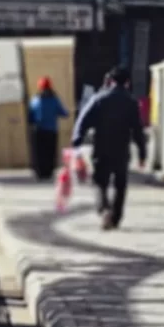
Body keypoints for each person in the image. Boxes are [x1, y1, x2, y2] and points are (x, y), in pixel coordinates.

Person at [72, 66, 146, 230]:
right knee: (120, 184)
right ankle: (116, 217)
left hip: (101, 148)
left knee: (100, 182)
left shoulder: (99, 99)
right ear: (127, 83)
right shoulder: (132, 102)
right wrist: (142, 153)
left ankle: (104, 209)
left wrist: (77, 140)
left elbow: (83, 120)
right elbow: (137, 129)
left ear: (111, 81)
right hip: (121, 150)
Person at [28, 76, 68, 181]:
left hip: (38, 131)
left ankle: (40, 173)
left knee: (39, 153)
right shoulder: (55, 100)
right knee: (50, 152)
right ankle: (49, 172)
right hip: (51, 131)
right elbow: (64, 113)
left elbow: (30, 117)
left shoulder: (35, 100)